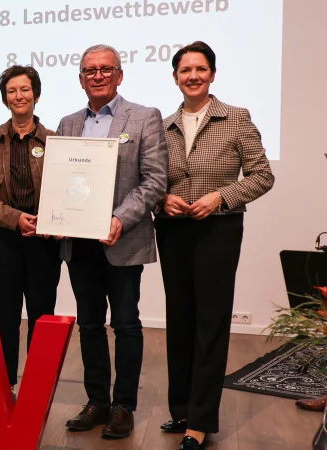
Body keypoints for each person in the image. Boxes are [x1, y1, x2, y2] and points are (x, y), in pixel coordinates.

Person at [155, 41, 274, 450]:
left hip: (218, 233)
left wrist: (221, 197)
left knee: (210, 323)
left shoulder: (236, 118)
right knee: (180, 321)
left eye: (200, 69)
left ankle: (202, 419)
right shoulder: (163, 125)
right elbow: (151, 179)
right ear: (175, 77)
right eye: (185, 70)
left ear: (212, 74)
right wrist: (160, 199)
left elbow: (262, 176)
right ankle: (182, 409)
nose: (193, 76)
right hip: (172, 231)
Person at [58, 44, 168, 439]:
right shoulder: (69, 123)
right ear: (81, 78)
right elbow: (63, 181)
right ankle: (97, 402)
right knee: (89, 325)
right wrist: (58, 213)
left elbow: (155, 179)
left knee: (126, 324)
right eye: (90, 70)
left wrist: (120, 218)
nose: (98, 75)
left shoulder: (143, 118)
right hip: (80, 243)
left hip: (122, 239)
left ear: (119, 75)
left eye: (106, 69)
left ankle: (123, 407)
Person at [0, 65, 61, 398]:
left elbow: (67, 191)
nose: (19, 96)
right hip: (2, 241)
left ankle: (37, 389)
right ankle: (5, 385)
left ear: (35, 94)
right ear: (4, 98)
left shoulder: (55, 142)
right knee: (5, 314)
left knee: (42, 315)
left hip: (44, 242)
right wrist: (14, 218)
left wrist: (50, 221)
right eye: (12, 91)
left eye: (25, 89)